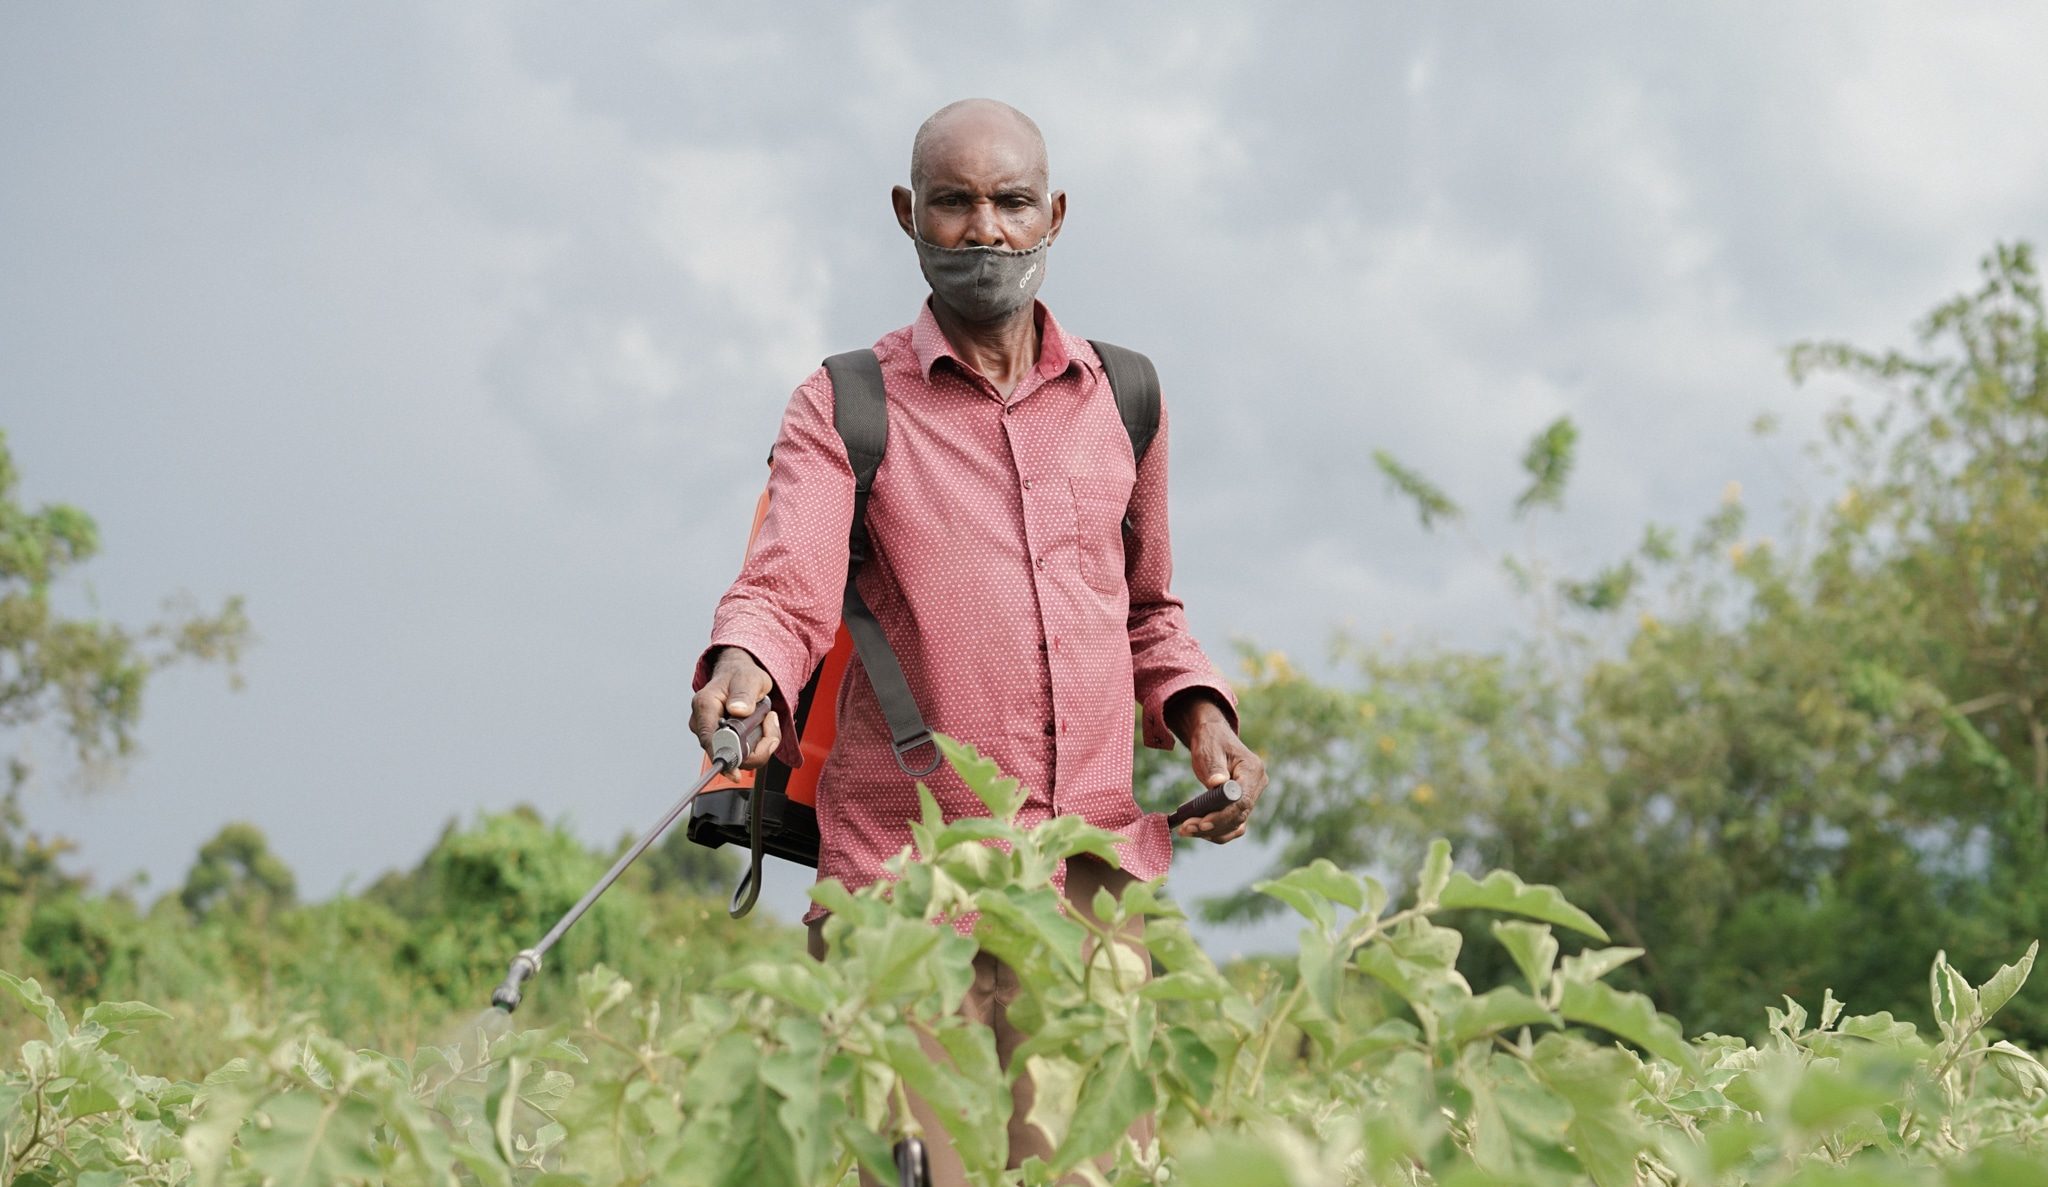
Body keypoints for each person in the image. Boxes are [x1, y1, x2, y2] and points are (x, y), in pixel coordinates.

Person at [688, 97, 1267, 1181]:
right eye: (953, 203)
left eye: (1008, 202)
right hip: (908, 889)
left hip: (1082, 884)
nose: (985, 230)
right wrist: (741, 667)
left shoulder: (1123, 397)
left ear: (1054, 212)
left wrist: (1202, 715)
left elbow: (1148, 608)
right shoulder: (846, 402)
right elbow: (788, 585)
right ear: (908, 214)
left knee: (1094, 1168)